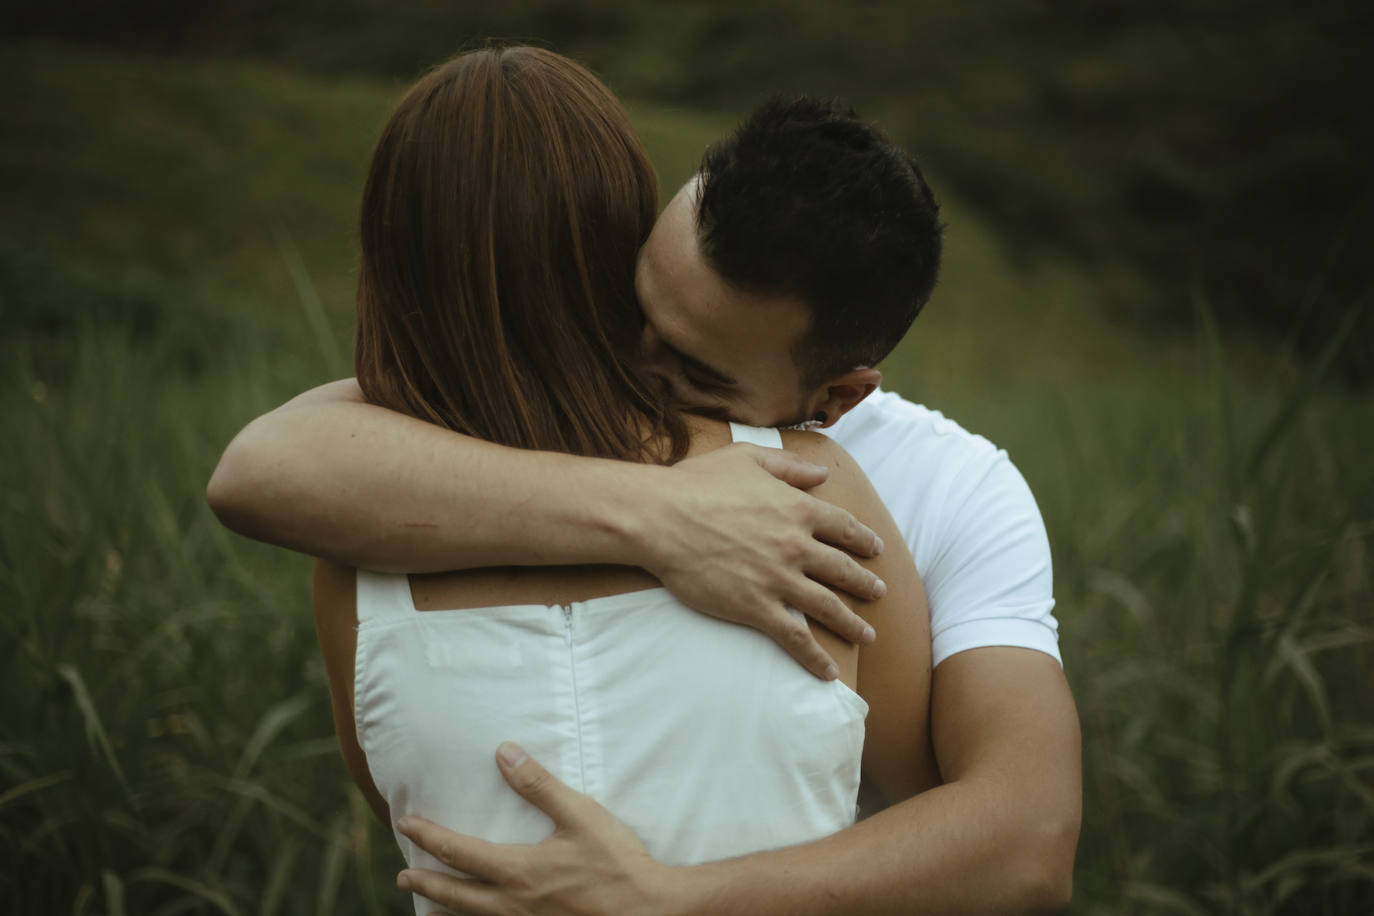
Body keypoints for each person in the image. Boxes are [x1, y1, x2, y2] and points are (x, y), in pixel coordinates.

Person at [208, 64, 1082, 914]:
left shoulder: (950, 489)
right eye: (629, 304)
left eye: (693, 368)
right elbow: (260, 466)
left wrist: (670, 899)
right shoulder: (394, 480)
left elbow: (1021, 837)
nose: (627, 358)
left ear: (837, 396)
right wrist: (661, 515)